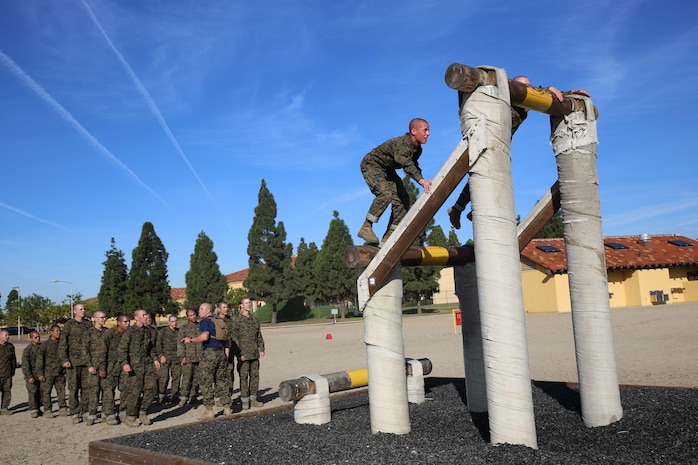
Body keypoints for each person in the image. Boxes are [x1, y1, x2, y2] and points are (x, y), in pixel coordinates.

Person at [447, 76, 589, 229]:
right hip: (488, 138)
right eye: (523, 85)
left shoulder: (525, 104)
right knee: (483, 172)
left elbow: (543, 95)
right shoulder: (506, 97)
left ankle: (469, 209)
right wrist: (546, 88)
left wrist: (569, 93)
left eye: (528, 85)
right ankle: (459, 209)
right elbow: (532, 90)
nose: (527, 88)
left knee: (497, 176)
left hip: (502, 143)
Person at [358, 118, 433, 245]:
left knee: (403, 200)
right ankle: (366, 227)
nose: (428, 134)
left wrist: (424, 180)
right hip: (372, 165)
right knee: (385, 194)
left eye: (428, 131)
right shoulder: (401, 144)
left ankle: (389, 236)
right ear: (414, 131)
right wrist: (421, 181)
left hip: (388, 169)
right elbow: (406, 164)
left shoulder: (417, 149)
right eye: (425, 130)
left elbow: (414, 164)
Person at [182, 302, 231, 419]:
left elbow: (205, 337)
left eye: (201, 309)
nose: (199, 311)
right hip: (221, 353)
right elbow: (227, 341)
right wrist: (226, 357)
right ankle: (227, 408)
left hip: (209, 354)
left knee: (205, 382)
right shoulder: (219, 321)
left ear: (208, 310)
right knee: (221, 381)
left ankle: (209, 410)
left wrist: (191, 340)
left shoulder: (205, 322)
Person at [117, 309, 161, 427]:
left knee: (152, 388)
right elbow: (121, 349)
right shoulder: (130, 332)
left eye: (146, 314)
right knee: (134, 392)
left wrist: (155, 359)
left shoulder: (147, 331)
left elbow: (151, 348)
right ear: (136, 318)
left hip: (147, 365)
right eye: (143, 315)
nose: (146, 316)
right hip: (134, 367)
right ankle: (131, 416)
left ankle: (143, 411)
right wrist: (125, 363)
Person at [58, 303, 92, 424]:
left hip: (86, 362)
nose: (83, 311)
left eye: (84, 308)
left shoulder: (88, 324)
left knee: (86, 388)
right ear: (75, 311)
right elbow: (62, 344)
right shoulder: (69, 325)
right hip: (73, 363)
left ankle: (86, 411)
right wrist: (64, 359)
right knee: (73, 389)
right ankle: (75, 413)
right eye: (81, 309)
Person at [231, 298, 265, 409]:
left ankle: (253, 399)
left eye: (250, 303)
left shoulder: (255, 320)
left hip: (254, 354)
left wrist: (262, 349)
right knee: (243, 377)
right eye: (246, 303)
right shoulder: (237, 321)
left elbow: (258, 335)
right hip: (243, 355)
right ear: (241, 305)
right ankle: (245, 401)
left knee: (255, 376)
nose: (249, 305)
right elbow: (234, 339)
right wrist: (239, 354)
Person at [101, 314, 130, 425]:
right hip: (110, 367)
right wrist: (102, 368)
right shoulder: (109, 334)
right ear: (119, 323)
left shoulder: (129, 333)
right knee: (109, 392)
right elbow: (102, 352)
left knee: (125, 389)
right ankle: (109, 415)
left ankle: (123, 412)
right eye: (125, 322)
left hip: (123, 367)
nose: (128, 324)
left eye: (128, 321)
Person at [38, 325, 68, 418]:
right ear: (51, 332)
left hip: (60, 372)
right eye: (57, 331)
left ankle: (63, 408)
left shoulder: (62, 344)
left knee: (61, 391)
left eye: (60, 331)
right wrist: (40, 374)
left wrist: (66, 371)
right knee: (46, 392)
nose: (59, 332)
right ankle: (47, 410)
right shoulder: (45, 345)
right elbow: (39, 360)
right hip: (48, 373)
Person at [85, 311, 108, 425]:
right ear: (95, 319)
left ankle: (105, 414)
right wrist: (89, 365)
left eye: (105, 317)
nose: (104, 319)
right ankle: (92, 415)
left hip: (106, 367)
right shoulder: (89, 333)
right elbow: (85, 351)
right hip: (93, 367)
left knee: (106, 391)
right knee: (94, 392)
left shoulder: (107, 332)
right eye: (102, 317)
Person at [177, 308, 202, 407]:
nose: (193, 317)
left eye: (194, 314)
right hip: (188, 357)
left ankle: (193, 397)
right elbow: (180, 344)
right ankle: (183, 398)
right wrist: (183, 356)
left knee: (197, 379)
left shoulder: (200, 326)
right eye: (191, 315)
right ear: (187, 317)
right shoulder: (183, 328)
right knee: (186, 379)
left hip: (199, 357)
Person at [156, 314, 182, 404]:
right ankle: (161, 396)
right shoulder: (163, 332)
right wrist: (161, 355)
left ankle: (175, 396)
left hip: (176, 358)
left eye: (176, 321)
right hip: (165, 357)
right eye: (172, 321)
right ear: (169, 322)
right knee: (164, 377)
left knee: (176, 377)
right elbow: (158, 345)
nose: (174, 323)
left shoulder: (179, 332)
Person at [215, 301, 236, 403]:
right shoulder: (215, 321)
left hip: (230, 352)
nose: (226, 309)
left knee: (230, 374)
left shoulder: (231, 320)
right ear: (219, 309)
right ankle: (218, 398)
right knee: (219, 375)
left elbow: (235, 336)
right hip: (218, 352)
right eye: (224, 307)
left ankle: (228, 397)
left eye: (227, 307)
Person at [22, 331, 45, 418]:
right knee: (33, 392)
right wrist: (29, 376)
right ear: (31, 338)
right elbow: (25, 365)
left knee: (41, 392)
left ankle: (38, 408)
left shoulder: (42, 347)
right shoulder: (28, 350)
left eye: (38, 337)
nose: (38, 338)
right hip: (32, 374)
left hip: (41, 374)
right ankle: (33, 409)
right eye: (35, 337)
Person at [0, 329, 17, 415]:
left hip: (7, 373)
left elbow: (13, 360)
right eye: (6, 335)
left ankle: (4, 408)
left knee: (7, 391)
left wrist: (13, 371)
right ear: (0, 336)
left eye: (8, 335)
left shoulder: (10, 347)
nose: (8, 337)